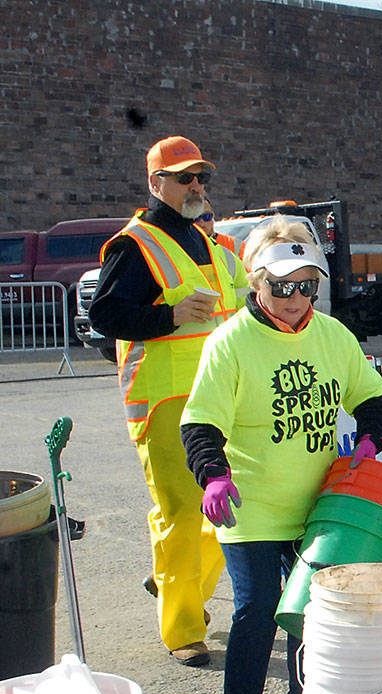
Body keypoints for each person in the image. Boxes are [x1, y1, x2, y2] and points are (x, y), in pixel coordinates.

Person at [180, 218, 382, 694]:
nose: (296, 299)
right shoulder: (230, 343)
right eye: (282, 286)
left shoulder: (332, 335)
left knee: (310, 611)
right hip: (251, 506)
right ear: (256, 282)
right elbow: (199, 421)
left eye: (307, 286)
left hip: (318, 505)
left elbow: (372, 395)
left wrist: (371, 437)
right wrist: (212, 476)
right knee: (257, 611)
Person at [89, 135, 247, 667]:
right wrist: (169, 316)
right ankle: (183, 627)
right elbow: (105, 317)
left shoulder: (215, 245)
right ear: (155, 183)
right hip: (165, 401)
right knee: (182, 512)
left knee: (224, 508)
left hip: (221, 394)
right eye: (184, 177)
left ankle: (173, 585)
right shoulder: (134, 244)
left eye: (201, 175)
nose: (196, 185)